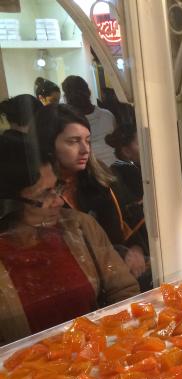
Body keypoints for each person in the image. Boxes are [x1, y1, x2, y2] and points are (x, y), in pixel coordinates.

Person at [0, 134, 139, 344]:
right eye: (44, 195)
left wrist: (113, 342)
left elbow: (123, 290)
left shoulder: (81, 227)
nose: (58, 201)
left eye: (57, 188)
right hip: (25, 372)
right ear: (9, 204)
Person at [32, 104, 148, 283]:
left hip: (119, 272)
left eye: (87, 140)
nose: (85, 149)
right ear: (48, 144)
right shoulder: (36, 190)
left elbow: (128, 218)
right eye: (73, 141)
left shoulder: (100, 176)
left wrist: (135, 249)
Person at [104, 123, 152, 290]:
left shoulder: (118, 169)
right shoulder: (129, 172)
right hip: (142, 251)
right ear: (126, 151)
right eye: (140, 143)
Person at [61, 75, 117, 166]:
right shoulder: (107, 115)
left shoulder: (68, 123)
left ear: (67, 98)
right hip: (114, 167)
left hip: (92, 172)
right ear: (89, 92)